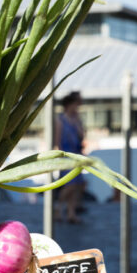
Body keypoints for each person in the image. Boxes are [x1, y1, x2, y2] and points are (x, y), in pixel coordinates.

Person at [54, 91, 86, 223]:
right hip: (67, 155)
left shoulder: (75, 120)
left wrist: (78, 121)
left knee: (77, 185)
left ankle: (70, 212)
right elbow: (57, 139)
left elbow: (81, 135)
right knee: (70, 185)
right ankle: (58, 208)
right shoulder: (60, 120)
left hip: (76, 154)